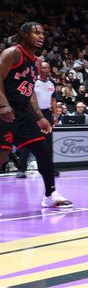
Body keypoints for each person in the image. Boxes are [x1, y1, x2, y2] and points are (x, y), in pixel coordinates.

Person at [0, 22, 72, 208]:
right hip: (4, 111)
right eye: (36, 33)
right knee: (3, 153)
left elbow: (29, 91)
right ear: (24, 34)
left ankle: (50, 194)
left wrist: (39, 117)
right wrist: (4, 104)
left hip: (22, 113)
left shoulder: (36, 61)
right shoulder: (12, 53)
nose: (41, 36)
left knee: (43, 150)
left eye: (43, 33)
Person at [17, 60, 58, 178]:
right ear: (39, 69)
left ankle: (50, 169)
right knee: (29, 141)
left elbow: (53, 100)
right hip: (33, 113)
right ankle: (21, 169)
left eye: (48, 68)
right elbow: (29, 97)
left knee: (49, 142)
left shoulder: (51, 83)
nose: (46, 70)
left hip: (47, 113)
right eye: (44, 68)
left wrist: (55, 115)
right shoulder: (34, 82)